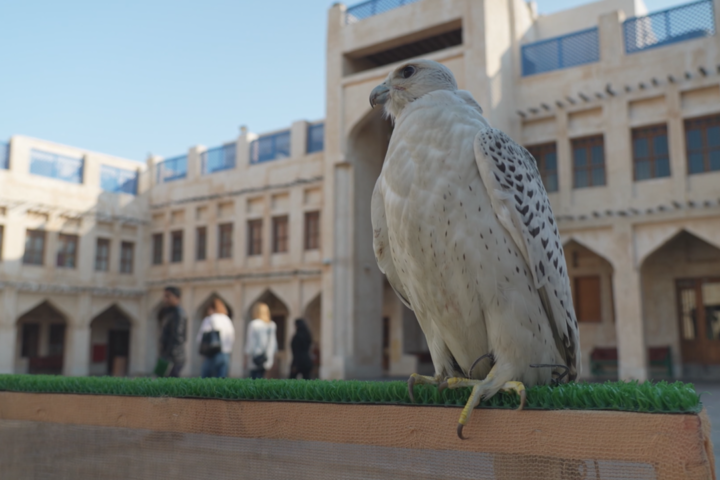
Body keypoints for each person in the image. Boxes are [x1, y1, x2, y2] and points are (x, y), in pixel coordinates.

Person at [196, 298, 235, 378]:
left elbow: (200, 337)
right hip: (225, 354)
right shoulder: (227, 319)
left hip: (212, 353)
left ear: (211, 309)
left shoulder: (209, 319)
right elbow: (232, 337)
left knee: (206, 380)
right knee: (221, 380)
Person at [158, 286, 187, 377]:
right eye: (165, 296)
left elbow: (177, 337)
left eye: (168, 296)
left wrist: (168, 356)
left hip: (174, 357)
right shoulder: (169, 312)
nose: (165, 299)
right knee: (159, 383)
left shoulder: (178, 313)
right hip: (166, 355)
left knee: (171, 386)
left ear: (177, 297)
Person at [244, 302, 277, 379]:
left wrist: (245, 358)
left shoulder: (254, 324)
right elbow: (273, 343)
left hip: (255, 357)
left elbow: (250, 343)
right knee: (262, 379)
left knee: (254, 381)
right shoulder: (271, 324)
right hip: (267, 358)